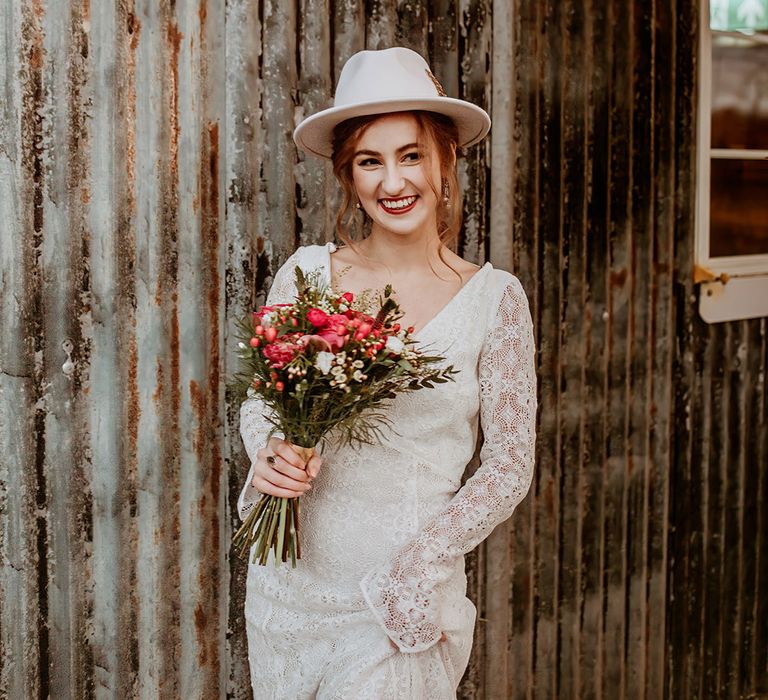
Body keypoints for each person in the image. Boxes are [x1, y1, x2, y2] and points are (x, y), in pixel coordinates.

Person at [236, 47, 537, 699]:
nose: (392, 182)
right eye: (370, 161)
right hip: (288, 590)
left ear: (445, 160)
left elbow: (511, 463)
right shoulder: (310, 275)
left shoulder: (494, 298)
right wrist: (268, 452)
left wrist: (420, 564)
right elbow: (264, 400)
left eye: (410, 155)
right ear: (349, 175)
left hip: (395, 601)